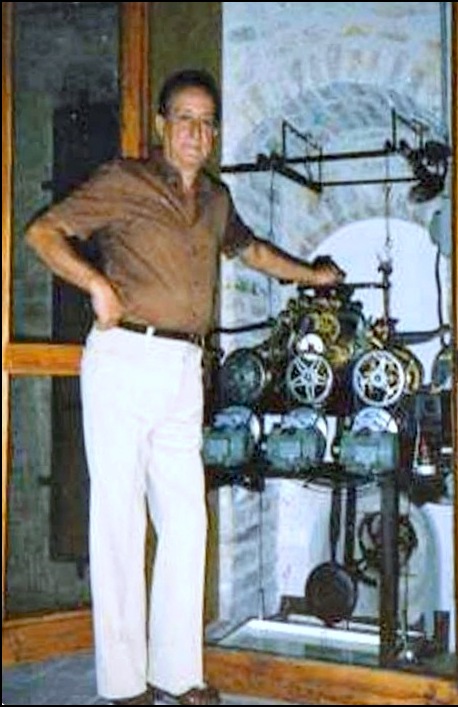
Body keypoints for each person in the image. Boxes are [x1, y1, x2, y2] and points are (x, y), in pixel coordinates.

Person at [26, 69, 345, 706]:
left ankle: (177, 673)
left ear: (214, 133)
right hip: (124, 356)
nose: (196, 132)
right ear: (162, 125)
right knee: (119, 521)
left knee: (186, 520)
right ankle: (123, 684)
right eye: (185, 119)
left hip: (184, 368)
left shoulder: (216, 201)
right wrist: (97, 285)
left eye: (207, 123)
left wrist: (311, 275)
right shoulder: (125, 179)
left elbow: (252, 252)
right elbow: (43, 233)